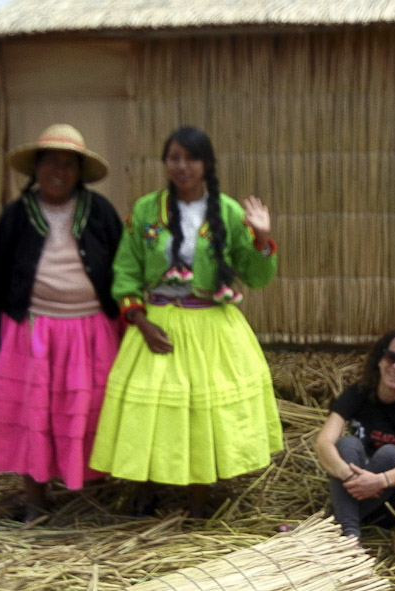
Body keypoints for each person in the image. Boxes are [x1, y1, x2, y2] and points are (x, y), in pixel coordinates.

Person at [88, 126, 282, 518]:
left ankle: (199, 497)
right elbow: (125, 271)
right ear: (165, 163)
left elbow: (256, 276)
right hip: (157, 324)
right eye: (174, 157)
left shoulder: (228, 212)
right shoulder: (145, 211)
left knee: (202, 410)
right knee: (150, 410)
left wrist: (261, 238)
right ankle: (144, 489)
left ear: (206, 164)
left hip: (212, 326)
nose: (182, 166)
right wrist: (140, 322)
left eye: (191, 158)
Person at [0, 123, 124, 522]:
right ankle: (36, 498)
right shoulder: (17, 216)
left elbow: (124, 268)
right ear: (36, 168)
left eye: (68, 164)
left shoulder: (99, 212)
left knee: (92, 407)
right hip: (33, 331)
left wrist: (132, 323)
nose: (58, 171)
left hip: (92, 330)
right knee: (34, 411)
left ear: (79, 172)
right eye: (50, 162)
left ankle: (95, 490)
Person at [314, 325, 395, 540]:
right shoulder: (357, 394)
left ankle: (336, 527)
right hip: (356, 493)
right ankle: (350, 538)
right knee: (346, 445)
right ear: (380, 359)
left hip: (394, 503)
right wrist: (351, 476)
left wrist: (381, 480)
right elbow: (323, 443)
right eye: (392, 357)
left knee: (390, 454)